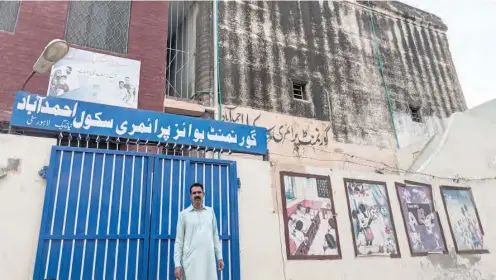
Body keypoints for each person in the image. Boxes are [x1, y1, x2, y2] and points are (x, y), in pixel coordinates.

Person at [174, 183, 224, 280]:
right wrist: (177, 264)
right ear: (190, 196)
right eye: (194, 193)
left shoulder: (210, 212)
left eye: (199, 192)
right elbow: (179, 241)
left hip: (208, 261)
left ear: (203, 194)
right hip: (191, 262)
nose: (197, 195)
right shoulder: (184, 215)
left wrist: (219, 257)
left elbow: (215, 236)